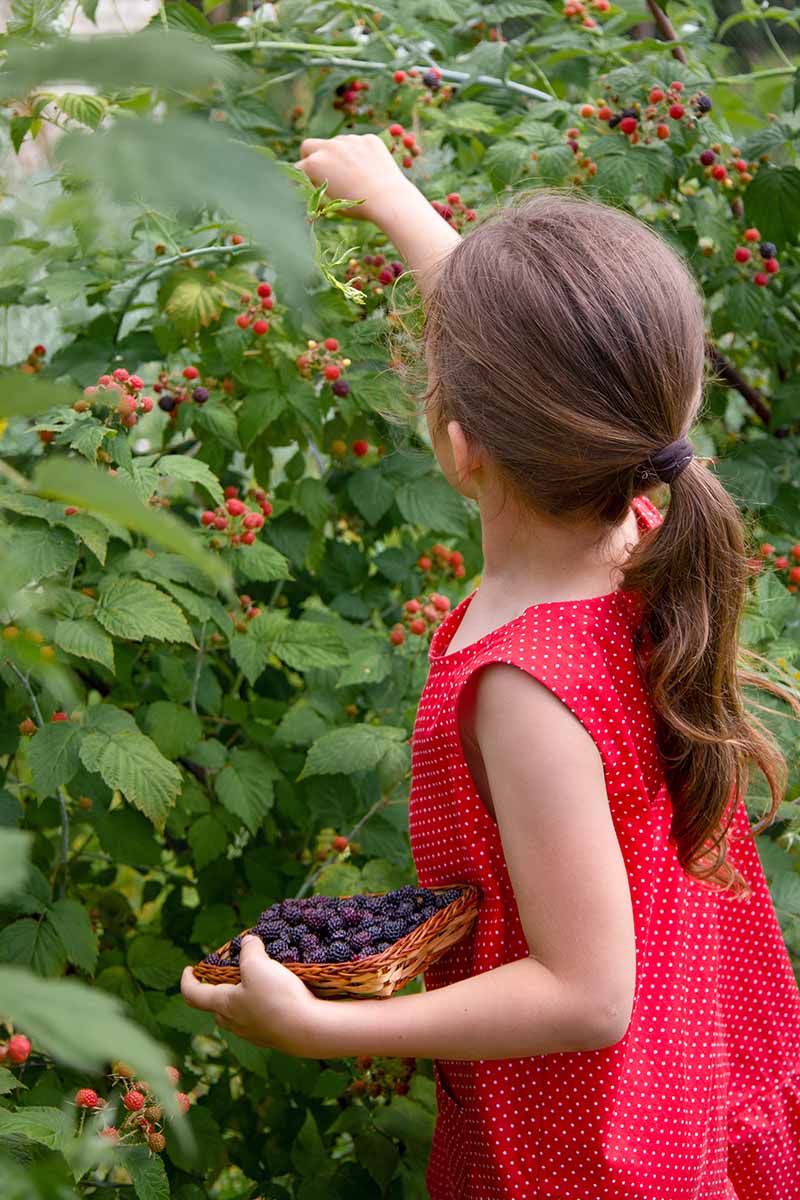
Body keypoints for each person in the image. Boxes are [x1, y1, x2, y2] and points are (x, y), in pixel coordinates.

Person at [182, 135, 800, 1200]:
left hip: (585, 1143)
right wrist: (390, 199)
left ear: (462, 451)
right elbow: (539, 358)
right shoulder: (635, 524)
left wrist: (324, 1029)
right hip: (677, 1055)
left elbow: (585, 993)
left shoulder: (522, 688)